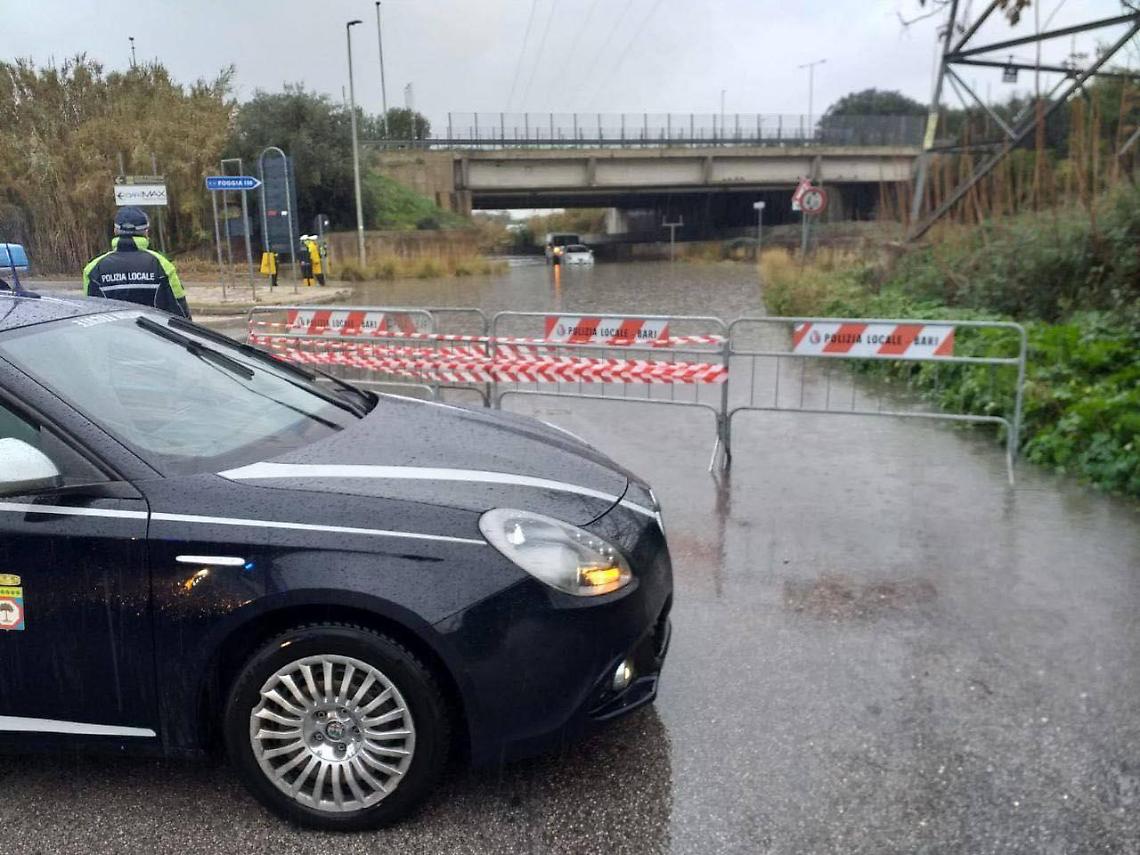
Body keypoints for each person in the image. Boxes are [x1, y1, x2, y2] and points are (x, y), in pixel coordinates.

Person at [83, 207, 191, 318]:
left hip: (112, 334)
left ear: (115, 231)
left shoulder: (93, 269)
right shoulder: (162, 265)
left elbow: (88, 313)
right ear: (146, 232)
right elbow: (180, 310)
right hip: (152, 334)